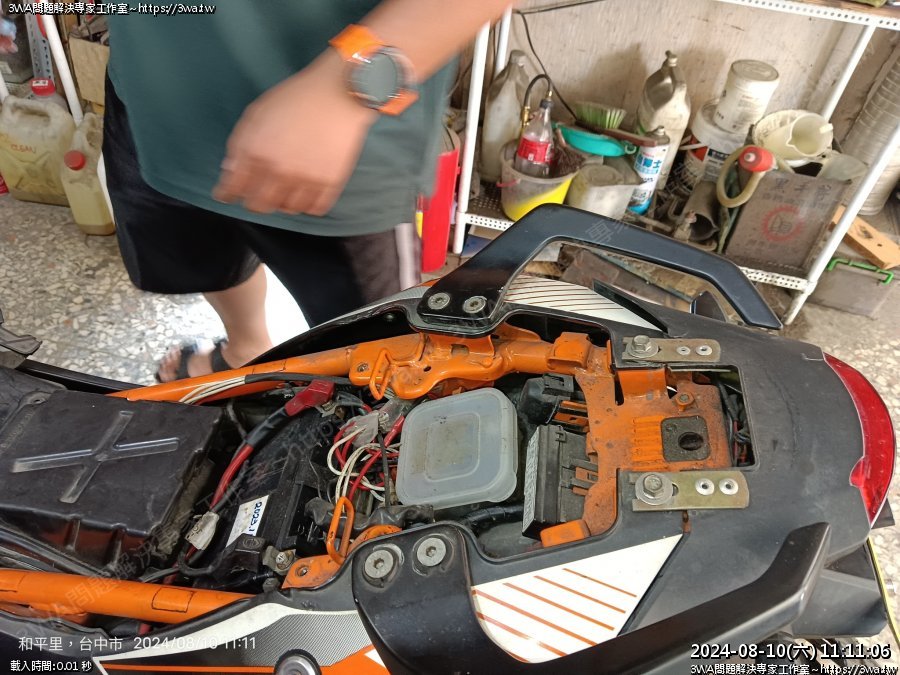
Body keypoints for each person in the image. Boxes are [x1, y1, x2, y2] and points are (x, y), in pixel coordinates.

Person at [4, 2, 511, 381]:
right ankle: (246, 345)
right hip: (155, 90)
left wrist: (342, 91)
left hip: (337, 133)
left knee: (380, 353)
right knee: (201, 256)